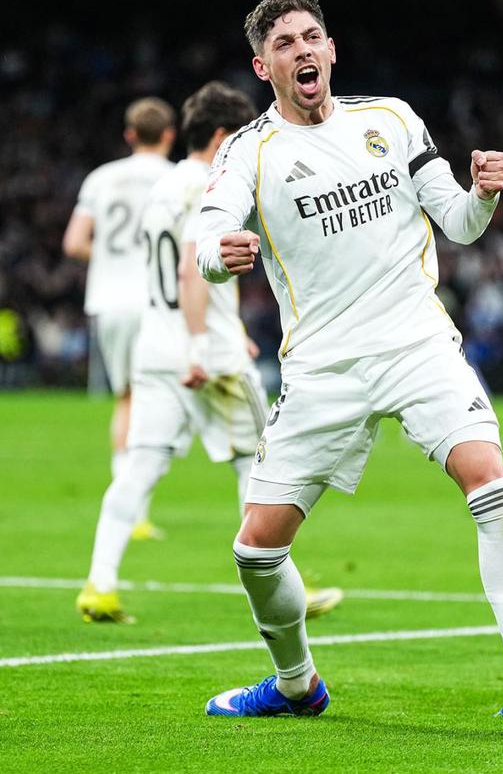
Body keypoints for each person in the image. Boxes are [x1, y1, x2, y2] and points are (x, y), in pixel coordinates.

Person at [196, 0, 503, 738]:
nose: (302, 51)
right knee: (256, 550)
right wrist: (218, 256)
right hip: (322, 368)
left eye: (311, 37)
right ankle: (297, 685)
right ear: (263, 67)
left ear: (331, 49)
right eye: (284, 44)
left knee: (491, 483)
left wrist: (482, 195)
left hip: (416, 343)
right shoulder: (248, 151)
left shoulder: (391, 119)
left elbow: (458, 223)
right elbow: (209, 234)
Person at [76, 81, 343, 625]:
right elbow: (190, 270)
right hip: (206, 353)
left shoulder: (165, 184)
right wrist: (203, 342)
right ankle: (283, 587)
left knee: (140, 466)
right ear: (222, 137)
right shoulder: (210, 184)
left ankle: (99, 585)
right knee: (261, 464)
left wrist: (226, 326)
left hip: (156, 346)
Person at [63, 97, 176, 540]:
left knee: (126, 400)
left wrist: (113, 261)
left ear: (129, 135)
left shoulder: (100, 178)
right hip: (157, 302)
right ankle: (138, 508)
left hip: (109, 302)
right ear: (169, 134)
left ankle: (129, 509)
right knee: (158, 400)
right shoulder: (177, 178)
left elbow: (75, 243)